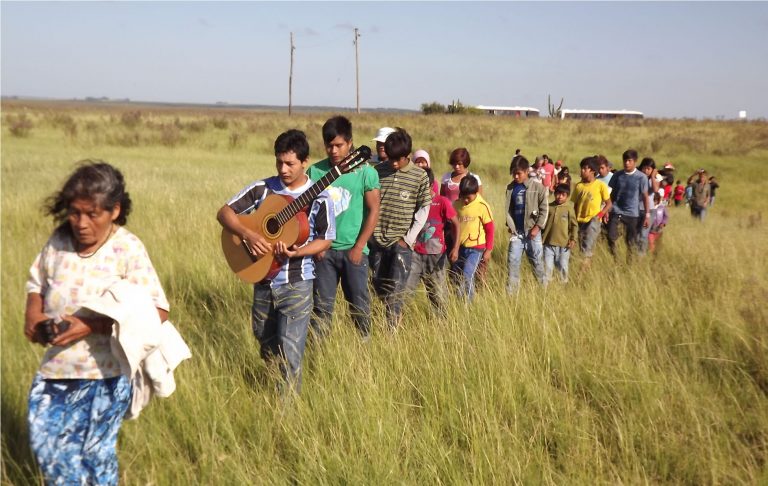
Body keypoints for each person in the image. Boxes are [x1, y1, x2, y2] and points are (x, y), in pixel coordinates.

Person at [25, 161, 170, 485]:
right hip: (56, 371)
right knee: (50, 451)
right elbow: (38, 283)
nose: (81, 223)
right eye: (75, 213)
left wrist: (91, 326)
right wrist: (34, 317)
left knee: (95, 456)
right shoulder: (59, 241)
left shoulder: (126, 248)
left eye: (93, 214)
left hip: (106, 374)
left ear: (114, 210)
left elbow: (158, 310)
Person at [217, 129, 335, 392]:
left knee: (290, 352)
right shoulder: (263, 188)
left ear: (305, 162)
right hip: (262, 279)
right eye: (279, 162)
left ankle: (287, 417)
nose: (283, 169)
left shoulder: (320, 197)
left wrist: (297, 252)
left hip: (298, 284)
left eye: (290, 163)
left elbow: (325, 239)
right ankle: (269, 390)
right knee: (264, 339)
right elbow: (225, 213)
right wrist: (248, 234)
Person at [308, 116, 380, 338]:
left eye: (338, 145)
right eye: (329, 145)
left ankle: (364, 348)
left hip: (354, 251)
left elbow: (374, 211)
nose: (333, 150)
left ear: (350, 142)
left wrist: (359, 247)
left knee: (359, 306)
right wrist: (315, 245)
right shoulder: (315, 171)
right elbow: (307, 212)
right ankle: (318, 354)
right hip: (323, 253)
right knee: (321, 309)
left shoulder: (366, 172)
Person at [369, 128, 431, 329]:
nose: (394, 163)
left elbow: (424, 207)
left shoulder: (419, 176)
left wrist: (408, 239)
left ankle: (392, 331)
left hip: (401, 242)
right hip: (376, 240)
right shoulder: (377, 171)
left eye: (398, 159)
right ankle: (379, 322)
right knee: (378, 286)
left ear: (407, 156)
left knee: (396, 291)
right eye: (391, 158)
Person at [405, 167, 459, 315]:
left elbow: (456, 223)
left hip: (436, 255)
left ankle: (442, 323)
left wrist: (455, 247)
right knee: (406, 291)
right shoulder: (413, 202)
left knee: (437, 293)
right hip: (415, 254)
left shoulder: (442, 202)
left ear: (430, 185)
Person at [505, 155, 548, 292]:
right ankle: (511, 295)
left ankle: (544, 291)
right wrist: (510, 225)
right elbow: (508, 209)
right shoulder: (510, 188)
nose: (516, 176)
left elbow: (544, 209)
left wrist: (537, 227)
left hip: (533, 233)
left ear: (527, 171)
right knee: (512, 263)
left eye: (519, 173)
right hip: (517, 233)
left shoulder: (538, 187)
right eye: (514, 173)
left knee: (537, 263)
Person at [453, 175, 494, 301]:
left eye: (468, 198)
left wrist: (488, 250)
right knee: (457, 277)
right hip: (460, 248)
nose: (465, 200)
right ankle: (459, 301)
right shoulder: (456, 204)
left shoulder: (482, 206)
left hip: (476, 248)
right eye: (463, 197)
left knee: (467, 275)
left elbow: (490, 229)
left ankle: (468, 304)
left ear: (476, 192)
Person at [606, 149, 650, 262]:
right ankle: (616, 259)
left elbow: (645, 197)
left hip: (632, 213)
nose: (627, 163)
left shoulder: (641, 177)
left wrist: (647, 215)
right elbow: (611, 194)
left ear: (635, 161)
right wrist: (606, 209)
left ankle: (629, 263)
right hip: (616, 210)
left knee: (630, 241)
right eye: (625, 160)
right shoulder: (617, 175)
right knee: (611, 236)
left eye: (629, 161)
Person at [571, 156, 612, 267]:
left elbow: (608, 204)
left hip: (592, 222)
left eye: (585, 168)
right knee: (581, 248)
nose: (582, 171)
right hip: (579, 221)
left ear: (593, 170)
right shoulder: (579, 186)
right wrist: (573, 220)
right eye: (582, 168)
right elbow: (575, 205)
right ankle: (587, 269)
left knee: (586, 250)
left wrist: (599, 215)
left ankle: (581, 276)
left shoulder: (600, 186)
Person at [542, 184, 578, 283]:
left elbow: (574, 225)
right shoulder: (549, 207)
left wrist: (573, 239)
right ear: (554, 194)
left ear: (567, 196)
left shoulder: (569, 208)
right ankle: (545, 288)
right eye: (558, 194)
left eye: (563, 195)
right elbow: (542, 222)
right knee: (547, 267)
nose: (560, 197)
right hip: (548, 243)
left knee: (563, 266)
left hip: (564, 245)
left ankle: (563, 286)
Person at [637, 158, 661, 255]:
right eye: (644, 168)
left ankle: (641, 255)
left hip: (649, 210)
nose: (646, 171)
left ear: (652, 170)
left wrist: (652, 176)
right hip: (637, 209)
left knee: (643, 234)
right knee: (636, 234)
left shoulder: (654, 179)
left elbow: (655, 189)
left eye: (649, 169)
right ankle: (636, 252)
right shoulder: (637, 177)